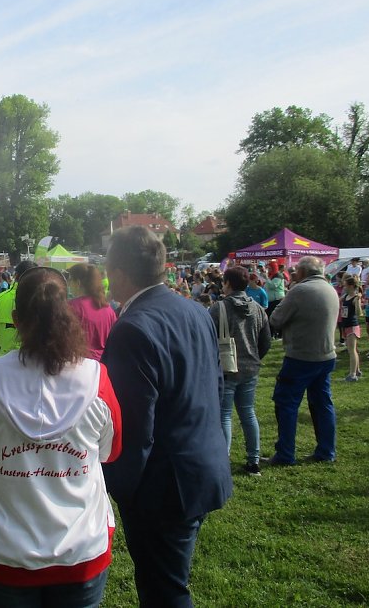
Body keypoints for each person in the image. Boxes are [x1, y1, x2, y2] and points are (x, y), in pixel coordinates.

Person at [0, 266, 122, 606]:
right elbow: (110, 450)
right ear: (67, 315)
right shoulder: (97, 378)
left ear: (16, 319)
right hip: (80, 551)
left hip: (4, 552)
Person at [101, 226, 232, 606]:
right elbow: (215, 385)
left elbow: (134, 427)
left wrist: (115, 487)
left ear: (120, 273)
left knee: (165, 590)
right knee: (170, 580)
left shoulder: (132, 328)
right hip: (201, 465)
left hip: (163, 485)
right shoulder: (195, 310)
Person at [268, 256, 340, 465]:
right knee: (322, 404)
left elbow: (276, 319)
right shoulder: (329, 289)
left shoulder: (299, 291)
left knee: (286, 404)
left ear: (302, 272)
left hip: (301, 356)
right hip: (326, 355)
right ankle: (326, 451)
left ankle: (285, 454)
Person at [209, 266, 271, 475]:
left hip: (226, 368)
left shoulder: (218, 308)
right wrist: (255, 358)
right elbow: (266, 341)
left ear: (226, 283)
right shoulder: (258, 308)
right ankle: (253, 460)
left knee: (225, 415)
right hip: (251, 367)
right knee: (248, 413)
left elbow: (208, 338)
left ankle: (223, 460)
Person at [0, 260, 37, 355]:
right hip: (36, 359)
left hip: (6, 356)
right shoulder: (45, 299)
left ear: (15, 275)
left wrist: (1, 351)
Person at [67, 263, 117, 361]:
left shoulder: (71, 307)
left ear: (78, 283)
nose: (68, 283)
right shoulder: (108, 309)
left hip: (80, 363)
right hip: (104, 365)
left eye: (70, 279)